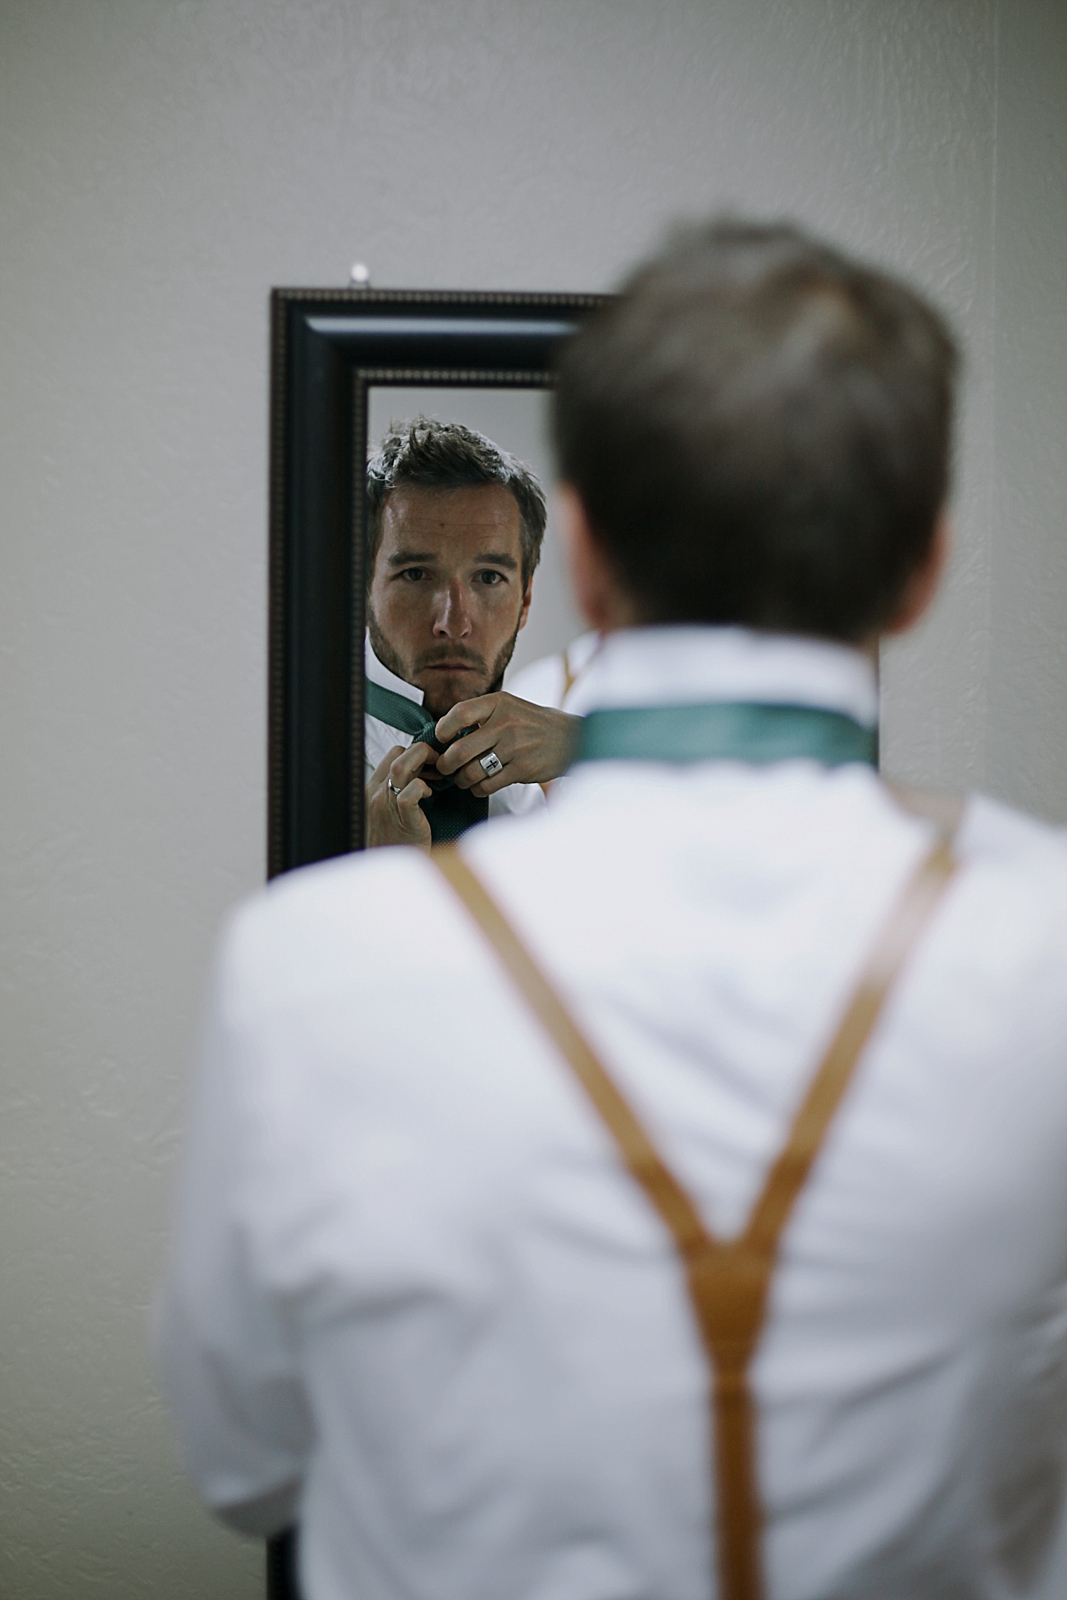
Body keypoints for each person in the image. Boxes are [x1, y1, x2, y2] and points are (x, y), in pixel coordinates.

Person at [156, 220, 1067, 1600]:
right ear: (919, 570)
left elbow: (243, 1467)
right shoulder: (1041, 945)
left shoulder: (307, 967)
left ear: (571, 559)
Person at [362, 417, 579, 846]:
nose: (454, 623)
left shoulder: (576, 783)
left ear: (526, 600)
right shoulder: (276, 764)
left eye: (488, 578)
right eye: (416, 574)